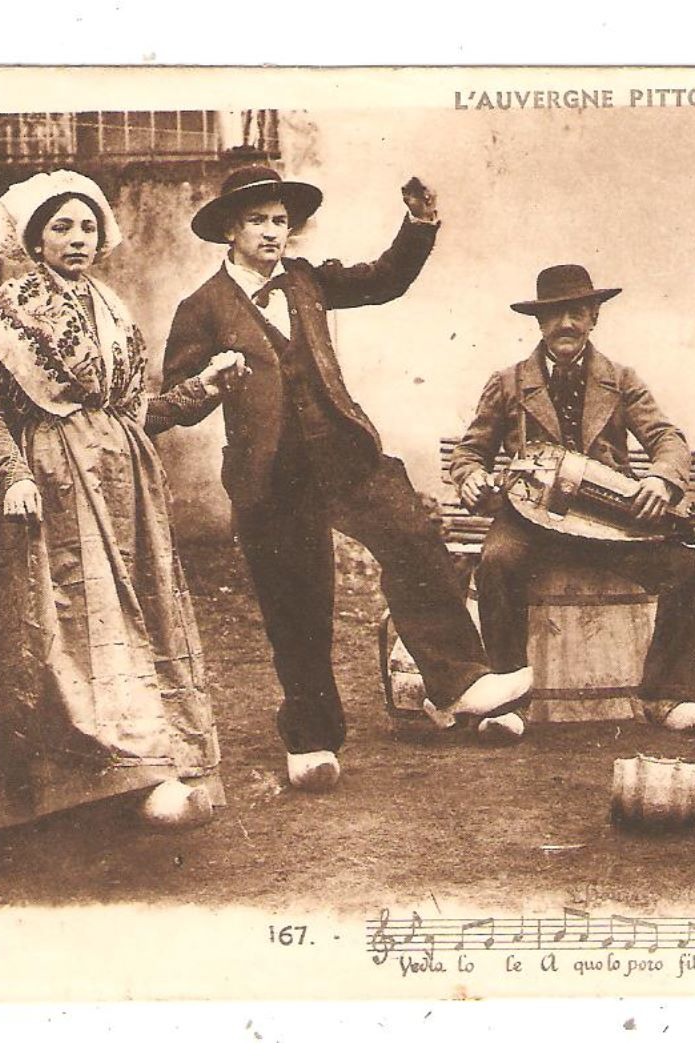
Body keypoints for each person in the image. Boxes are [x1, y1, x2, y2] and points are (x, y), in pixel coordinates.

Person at [158, 166, 530, 790]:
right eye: (259, 221)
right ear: (230, 230)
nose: (275, 232)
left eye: (281, 221)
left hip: (344, 452)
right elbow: (178, 393)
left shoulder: (307, 281)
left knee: (414, 540)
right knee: (296, 604)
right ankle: (311, 739)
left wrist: (419, 224)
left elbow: (385, 280)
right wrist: (210, 380)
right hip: (270, 474)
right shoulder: (200, 307)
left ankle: (461, 680)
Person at [0, 170, 244, 834]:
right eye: (61, 227)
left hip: (125, 489)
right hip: (49, 485)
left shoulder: (111, 305)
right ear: (34, 239)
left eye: (86, 226)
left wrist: (206, 387)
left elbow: (140, 413)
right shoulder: (6, 310)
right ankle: (90, 777)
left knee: (133, 621)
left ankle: (148, 766)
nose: (77, 238)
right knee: (67, 627)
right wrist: (13, 473)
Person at [449, 264, 695, 741]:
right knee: (496, 563)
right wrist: (470, 476)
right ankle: (507, 703)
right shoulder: (509, 382)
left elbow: (667, 438)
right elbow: (472, 450)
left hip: (605, 524)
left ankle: (668, 696)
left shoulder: (620, 380)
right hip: (529, 519)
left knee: (690, 568)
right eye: (554, 315)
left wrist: (660, 480)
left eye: (576, 312)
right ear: (539, 323)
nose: (566, 325)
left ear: (594, 316)